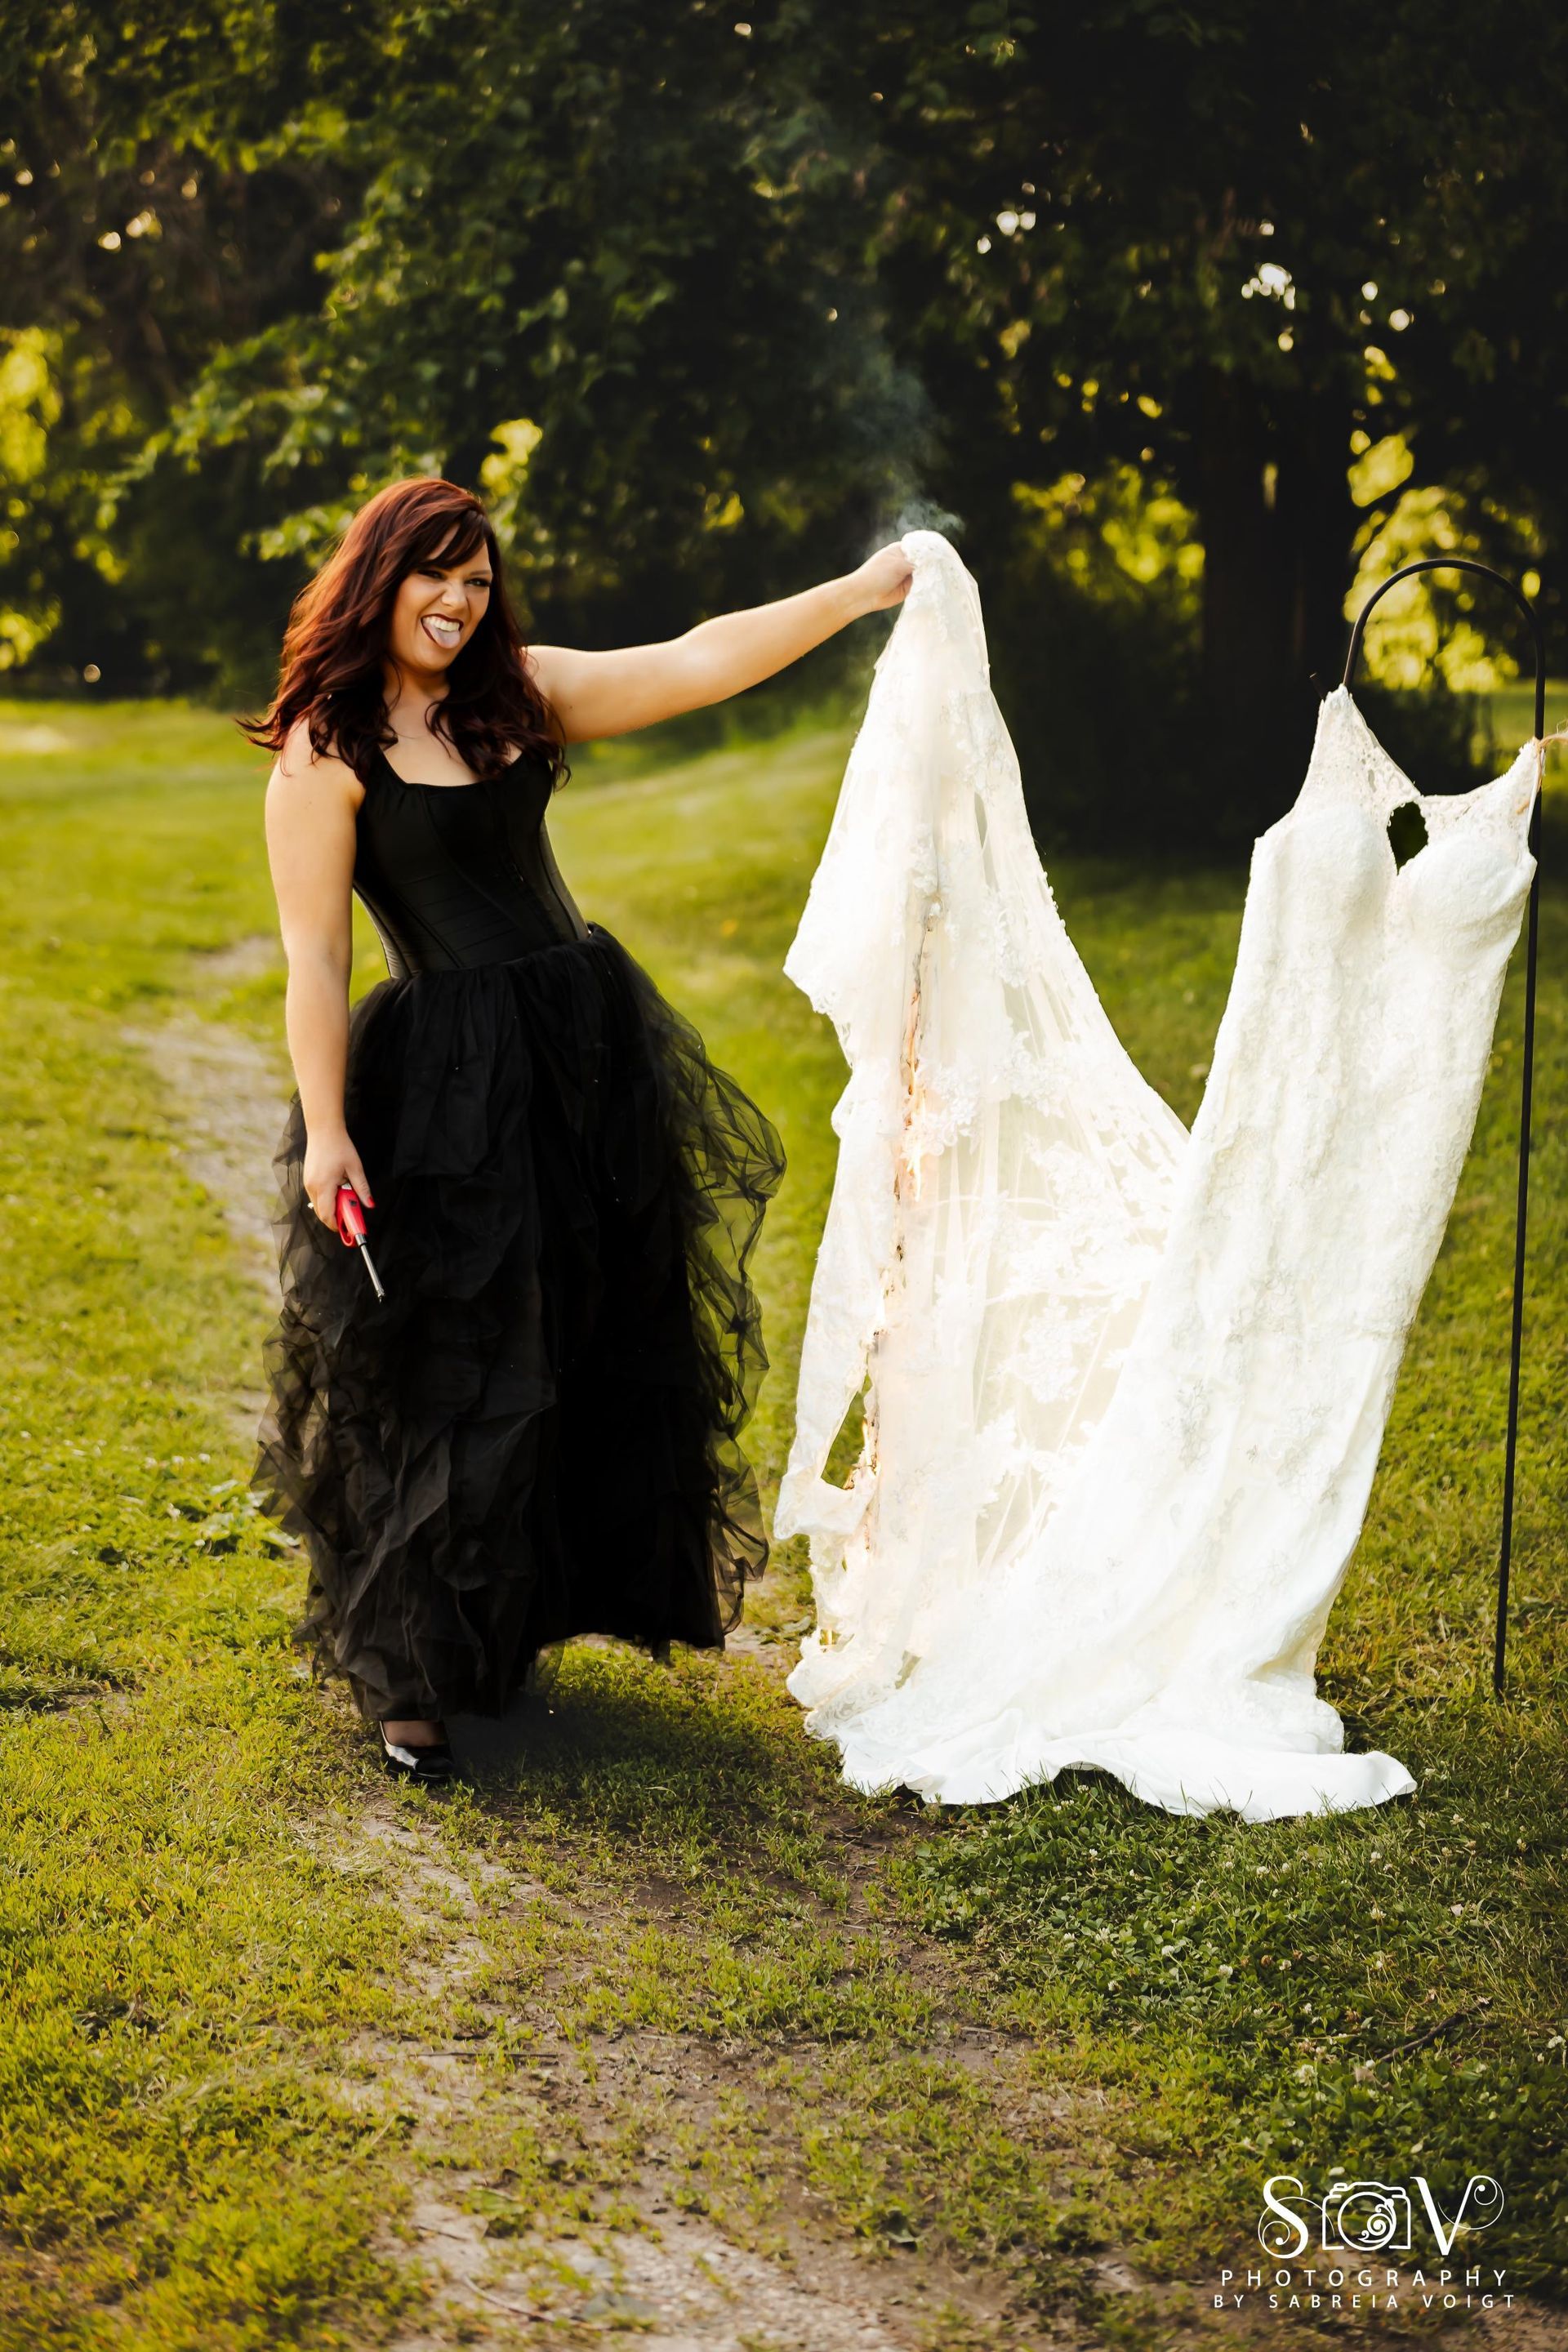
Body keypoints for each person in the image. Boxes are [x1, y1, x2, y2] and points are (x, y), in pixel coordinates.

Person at [247, 475, 911, 1784]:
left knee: (583, 1333)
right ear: (379, 577)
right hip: (447, 1080)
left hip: (580, 1048)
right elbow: (315, 960)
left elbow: (698, 660)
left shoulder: (518, 693)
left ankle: (515, 1623)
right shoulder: (327, 749)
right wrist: (327, 1131)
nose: (458, 599)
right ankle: (415, 1676)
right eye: (435, 572)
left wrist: (861, 591)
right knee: (459, 1359)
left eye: (477, 577)